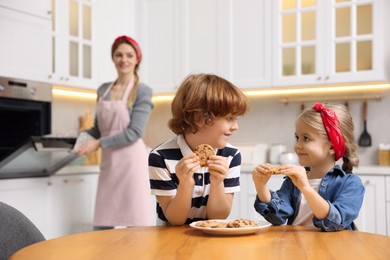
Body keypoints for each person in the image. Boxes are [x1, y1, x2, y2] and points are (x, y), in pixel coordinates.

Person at [148, 73, 249, 226]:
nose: (235, 126)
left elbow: (218, 217)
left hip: (211, 239)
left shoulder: (231, 156)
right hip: (170, 241)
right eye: (229, 118)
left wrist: (217, 183)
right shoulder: (160, 157)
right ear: (199, 118)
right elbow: (175, 220)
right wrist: (186, 183)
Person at [76, 35, 153, 229]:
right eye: (119, 55)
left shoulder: (142, 91)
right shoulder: (103, 89)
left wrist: (99, 143)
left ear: (137, 59)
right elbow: (97, 128)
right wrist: (77, 141)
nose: (123, 60)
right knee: (102, 226)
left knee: (136, 227)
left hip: (132, 166)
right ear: (113, 58)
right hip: (110, 165)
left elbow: (134, 132)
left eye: (129, 55)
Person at [252, 103, 365, 231]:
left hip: (332, 249)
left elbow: (335, 222)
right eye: (297, 137)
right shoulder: (292, 182)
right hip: (296, 246)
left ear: (332, 147)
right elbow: (277, 217)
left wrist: (306, 188)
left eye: (306, 138)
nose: (297, 145)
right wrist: (261, 186)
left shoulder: (351, 184)